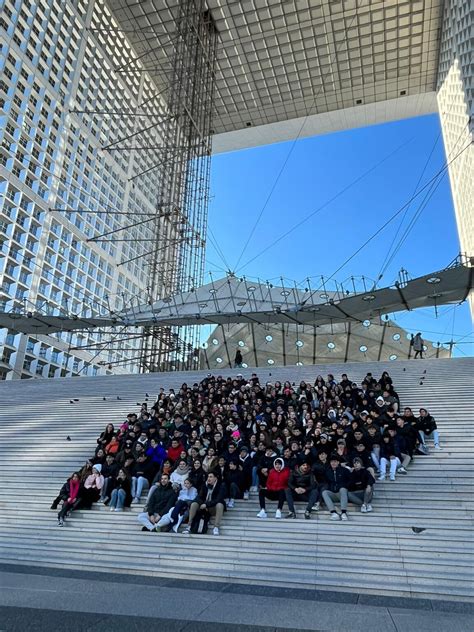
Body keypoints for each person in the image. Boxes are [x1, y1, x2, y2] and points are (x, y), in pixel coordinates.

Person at [184, 471, 227, 536]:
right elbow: (199, 497)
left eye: (211, 477)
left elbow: (218, 499)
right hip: (204, 507)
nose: (208, 478)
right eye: (208, 477)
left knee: (220, 504)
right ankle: (189, 526)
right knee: (194, 504)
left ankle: (216, 527)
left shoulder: (221, 485)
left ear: (215, 478)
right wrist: (203, 504)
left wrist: (206, 505)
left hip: (213, 507)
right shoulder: (204, 485)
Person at [322, 454, 350, 521]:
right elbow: (326, 482)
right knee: (324, 492)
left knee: (343, 489)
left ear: (338, 462)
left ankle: (343, 513)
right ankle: (334, 513)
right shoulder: (328, 471)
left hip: (342, 494)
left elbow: (350, 481)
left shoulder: (344, 470)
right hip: (333, 493)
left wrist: (344, 486)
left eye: (335, 461)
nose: (333, 463)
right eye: (332, 462)